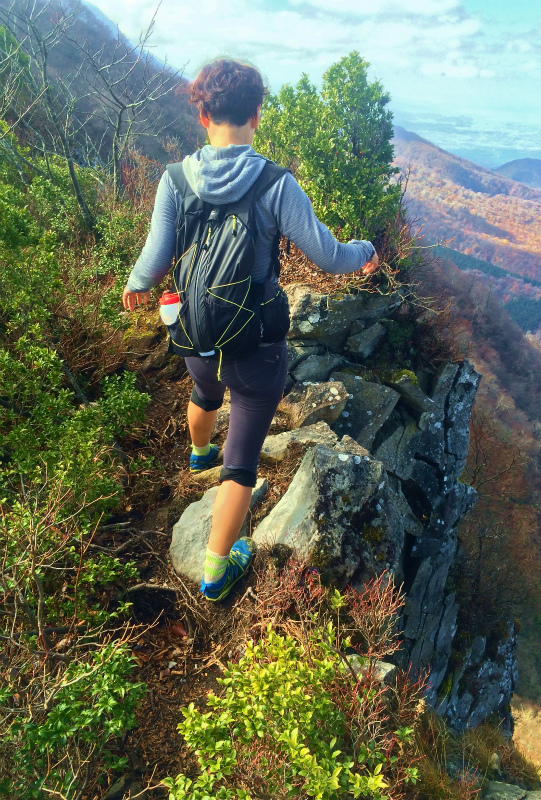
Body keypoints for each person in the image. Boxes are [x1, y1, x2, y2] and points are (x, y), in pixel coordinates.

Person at [122, 59, 380, 602]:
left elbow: (154, 257)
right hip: (255, 343)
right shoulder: (275, 183)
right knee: (240, 463)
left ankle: (197, 454)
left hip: (195, 332)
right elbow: (329, 256)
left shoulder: (173, 180)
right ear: (257, 114)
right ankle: (217, 571)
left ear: (202, 113)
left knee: (203, 388)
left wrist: (137, 283)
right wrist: (366, 252)